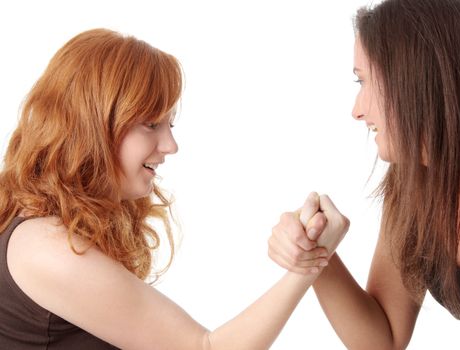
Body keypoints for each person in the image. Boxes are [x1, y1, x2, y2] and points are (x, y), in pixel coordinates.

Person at [0, 28, 347, 349]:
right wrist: (310, 264)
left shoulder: (42, 228)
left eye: (170, 123)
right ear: (91, 124)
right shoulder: (46, 249)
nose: (170, 145)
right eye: (151, 123)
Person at [268, 0, 460, 349]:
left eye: (364, 81)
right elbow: (383, 339)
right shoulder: (413, 190)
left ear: (419, 78)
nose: (357, 111)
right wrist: (316, 255)